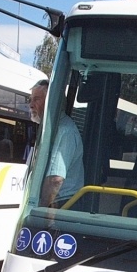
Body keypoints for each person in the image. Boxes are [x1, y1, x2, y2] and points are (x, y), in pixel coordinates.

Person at [29, 79, 84, 208]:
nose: (31, 105)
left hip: (62, 204)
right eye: (30, 100)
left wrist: (41, 211)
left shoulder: (64, 130)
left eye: (36, 99)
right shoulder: (50, 129)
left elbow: (55, 180)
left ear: (52, 102)